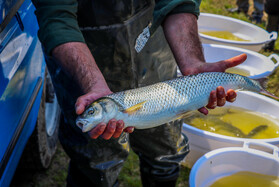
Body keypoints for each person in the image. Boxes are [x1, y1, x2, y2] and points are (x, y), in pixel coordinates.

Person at [32, 0, 246, 186]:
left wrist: (192, 61)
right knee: (94, 163)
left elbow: (178, 0)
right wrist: (92, 83)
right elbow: (56, 17)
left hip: (152, 46)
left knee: (166, 149)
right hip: (83, 55)